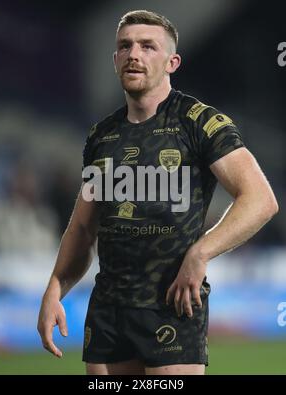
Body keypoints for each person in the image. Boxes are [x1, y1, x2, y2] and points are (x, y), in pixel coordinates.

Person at [37, 10, 279, 375]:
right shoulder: (100, 136)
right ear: (115, 59)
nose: (134, 53)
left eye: (148, 46)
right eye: (125, 46)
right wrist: (55, 287)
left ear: (172, 62)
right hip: (109, 312)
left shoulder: (198, 122)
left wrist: (201, 252)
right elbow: (84, 228)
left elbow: (261, 199)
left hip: (172, 306)